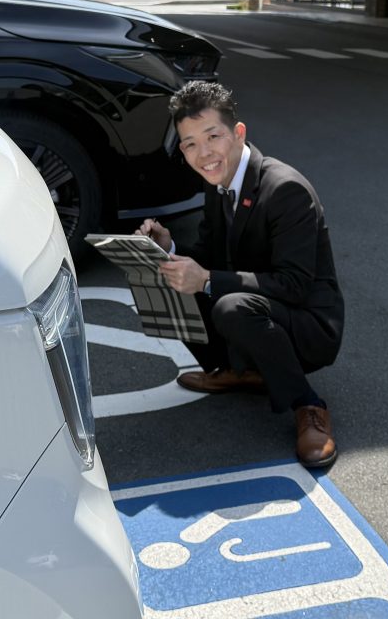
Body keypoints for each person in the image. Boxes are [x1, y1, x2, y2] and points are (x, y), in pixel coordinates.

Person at [137, 81, 344, 468]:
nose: (204, 153)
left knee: (231, 305)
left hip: (308, 324)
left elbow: (295, 285)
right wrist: (168, 248)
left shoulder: (285, 190)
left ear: (238, 133)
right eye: (190, 144)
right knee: (163, 274)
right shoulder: (218, 183)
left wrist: (207, 279)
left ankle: (308, 404)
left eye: (212, 137)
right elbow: (210, 256)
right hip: (263, 306)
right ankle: (240, 370)